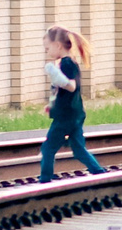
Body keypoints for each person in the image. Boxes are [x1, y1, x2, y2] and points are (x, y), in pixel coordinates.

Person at [39, 27, 104, 182]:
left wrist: (54, 74)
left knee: (48, 149)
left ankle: (45, 181)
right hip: (74, 113)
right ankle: (100, 173)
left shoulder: (67, 63)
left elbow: (71, 86)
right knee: (78, 148)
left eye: (48, 48)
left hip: (66, 116)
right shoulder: (68, 63)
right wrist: (52, 105)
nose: (47, 52)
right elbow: (64, 92)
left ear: (58, 46)